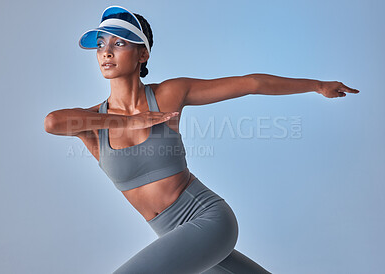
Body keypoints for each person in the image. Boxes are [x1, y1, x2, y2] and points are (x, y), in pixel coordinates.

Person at [44, 5, 360, 274]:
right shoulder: (92, 122)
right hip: (172, 236)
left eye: (120, 42)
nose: (107, 52)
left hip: (207, 219)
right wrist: (127, 120)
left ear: (143, 53)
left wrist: (317, 85)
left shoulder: (168, 95)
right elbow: (53, 122)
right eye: (100, 44)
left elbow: (250, 83)